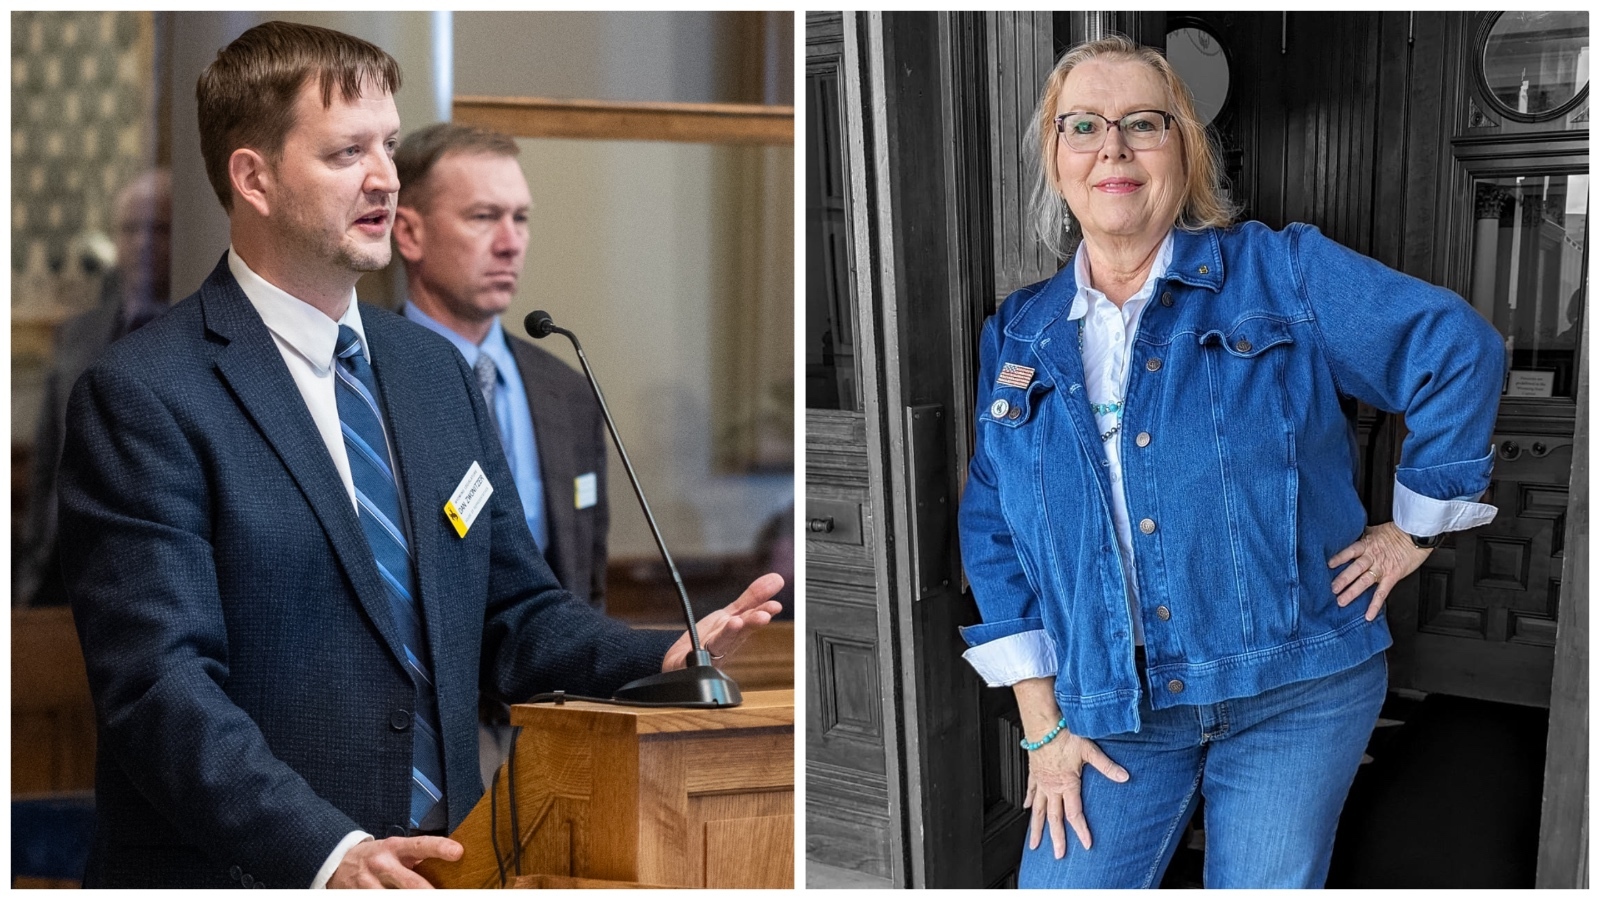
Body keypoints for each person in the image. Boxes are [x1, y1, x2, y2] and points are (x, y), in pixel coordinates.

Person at [58, 21, 781, 890]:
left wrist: (657, 657)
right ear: (252, 176)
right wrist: (326, 852)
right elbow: (160, 689)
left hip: (452, 864)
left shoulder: (431, 371)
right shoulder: (146, 394)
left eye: (391, 146)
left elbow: (514, 610)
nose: (385, 179)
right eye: (346, 152)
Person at [957, 35, 1502, 889]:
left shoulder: (1280, 273)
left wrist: (1414, 531)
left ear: (1186, 148)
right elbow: (994, 525)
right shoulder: (1019, 331)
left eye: (1144, 122)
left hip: (1298, 690)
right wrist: (1042, 722)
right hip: (1111, 705)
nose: (1114, 148)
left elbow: (1454, 348)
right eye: (1083, 126)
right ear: (1055, 159)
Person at [389, 122, 612, 788]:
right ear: (409, 233)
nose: (511, 242)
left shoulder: (564, 389)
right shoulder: (363, 380)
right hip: (420, 742)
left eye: (520, 218)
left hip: (552, 727)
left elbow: (586, 574)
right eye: (483, 217)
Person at [16, 169, 172, 608]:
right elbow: (49, 456)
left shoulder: (200, 332)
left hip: (150, 578)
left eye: (159, 229)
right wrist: (30, 567)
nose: (143, 242)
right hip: (63, 572)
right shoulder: (77, 334)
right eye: (130, 228)